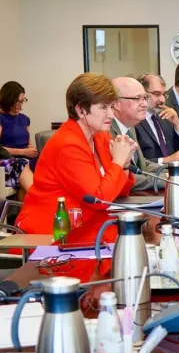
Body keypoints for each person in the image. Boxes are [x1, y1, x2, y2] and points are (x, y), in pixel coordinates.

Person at [17, 73, 136, 244]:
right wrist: (117, 162)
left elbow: (118, 190)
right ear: (81, 110)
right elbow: (99, 199)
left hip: (88, 227)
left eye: (111, 107)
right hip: (54, 235)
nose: (111, 114)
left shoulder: (101, 136)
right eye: (104, 108)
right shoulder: (67, 144)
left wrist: (124, 164)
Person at [111, 77, 168, 192]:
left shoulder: (130, 126)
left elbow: (141, 165)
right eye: (137, 98)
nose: (144, 104)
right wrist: (167, 179)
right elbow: (125, 178)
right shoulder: (107, 132)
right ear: (116, 103)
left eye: (145, 98)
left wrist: (175, 170)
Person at [135, 74, 179, 163]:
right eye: (157, 94)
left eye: (164, 95)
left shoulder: (164, 116)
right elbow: (137, 163)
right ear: (143, 94)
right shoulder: (134, 121)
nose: (162, 100)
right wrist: (166, 160)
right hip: (154, 174)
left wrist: (177, 124)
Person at [0, 81, 39, 169]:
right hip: (9, 159)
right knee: (24, 165)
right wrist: (23, 152)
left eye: (22, 101)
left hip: (26, 158)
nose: (20, 104)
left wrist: (33, 150)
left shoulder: (25, 119)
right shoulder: (1, 118)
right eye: (17, 101)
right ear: (8, 101)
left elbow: (28, 144)